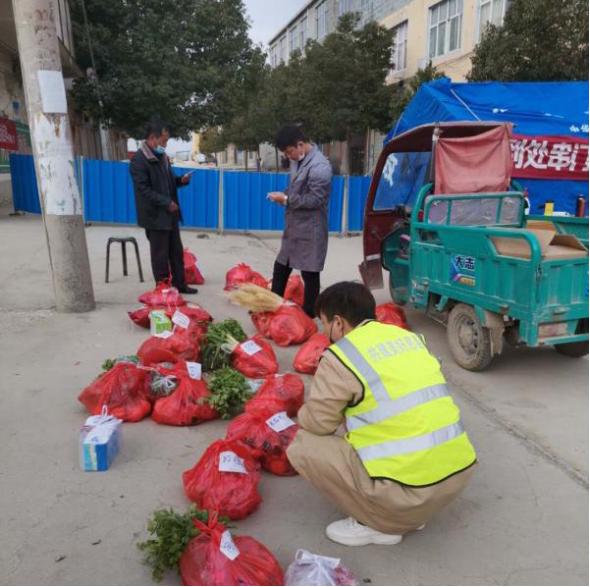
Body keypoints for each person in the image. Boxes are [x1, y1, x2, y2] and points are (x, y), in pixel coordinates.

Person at [287, 282, 477, 546]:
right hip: (455, 479)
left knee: (303, 445)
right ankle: (411, 513)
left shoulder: (342, 355)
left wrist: (302, 413)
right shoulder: (409, 339)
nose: (324, 330)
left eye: (324, 323)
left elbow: (319, 424)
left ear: (338, 323)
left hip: (407, 494)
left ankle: (379, 524)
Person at [268, 126, 333, 317]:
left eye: (290, 152)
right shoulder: (298, 159)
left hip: (311, 229)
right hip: (295, 226)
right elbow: (296, 189)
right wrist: (283, 195)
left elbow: (316, 199)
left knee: (310, 274)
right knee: (281, 266)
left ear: (301, 144)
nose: (289, 157)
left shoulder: (320, 167)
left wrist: (287, 200)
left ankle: (309, 315)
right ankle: (272, 306)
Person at [130, 119, 197, 294]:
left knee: (176, 251)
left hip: (170, 213)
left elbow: (169, 182)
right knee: (160, 255)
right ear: (153, 138)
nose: (165, 145)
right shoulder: (139, 161)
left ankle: (180, 284)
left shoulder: (162, 158)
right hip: (154, 216)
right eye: (164, 140)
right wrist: (166, 202)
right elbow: (144, 190)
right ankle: (163, 288)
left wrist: (180, 180)